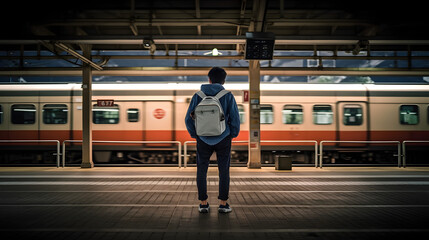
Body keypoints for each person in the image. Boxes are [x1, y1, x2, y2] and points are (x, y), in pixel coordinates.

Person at [185, 67, 240, 213]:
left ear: (209, 79)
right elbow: (235, 118)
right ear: (223, 81)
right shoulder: (228, 95)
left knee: (201, 171)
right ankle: (223, 204)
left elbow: (187, 119)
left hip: (203, 138)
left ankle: (203, 204)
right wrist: (232, 134)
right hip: (223, 137)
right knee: (224, 171)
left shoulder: (198, 95)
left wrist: (195, 135)